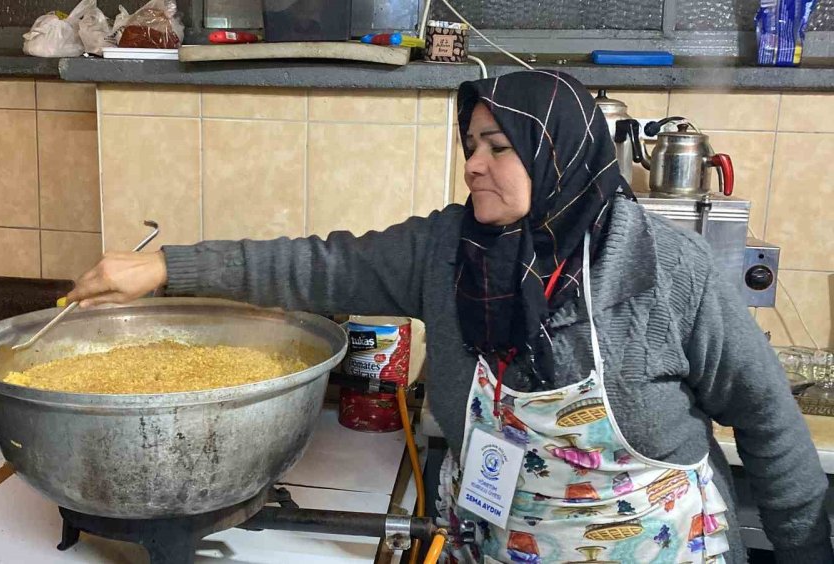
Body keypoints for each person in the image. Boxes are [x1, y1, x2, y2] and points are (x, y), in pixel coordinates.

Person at [66, 71, 831, 563]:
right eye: (470, 145)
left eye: (499, 147)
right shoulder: (446, 250)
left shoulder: (669, 269)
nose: (472, 164)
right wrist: (163, 268)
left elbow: (769, 422)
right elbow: (315, 265)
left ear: (557, 152)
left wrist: (806, 555)